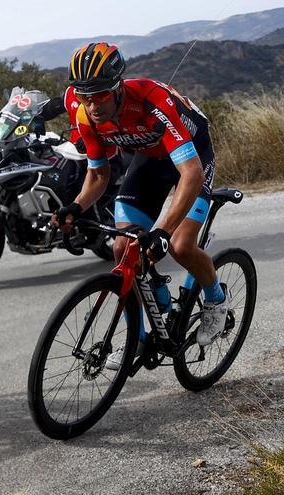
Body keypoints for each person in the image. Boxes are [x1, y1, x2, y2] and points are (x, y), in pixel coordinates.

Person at [51, 42, 228, 369]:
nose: (92, 105)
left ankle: (216, 300)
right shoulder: (86, 114)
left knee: (179, 245)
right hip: (150, 160)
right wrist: (74, 207)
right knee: (123, 249)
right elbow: (98, 175)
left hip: (193, 157)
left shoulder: (152, 102)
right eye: (84, 96)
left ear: (118, 87)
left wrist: (162, 230)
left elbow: (190, 173)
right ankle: (146, 331)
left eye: (101, 95)